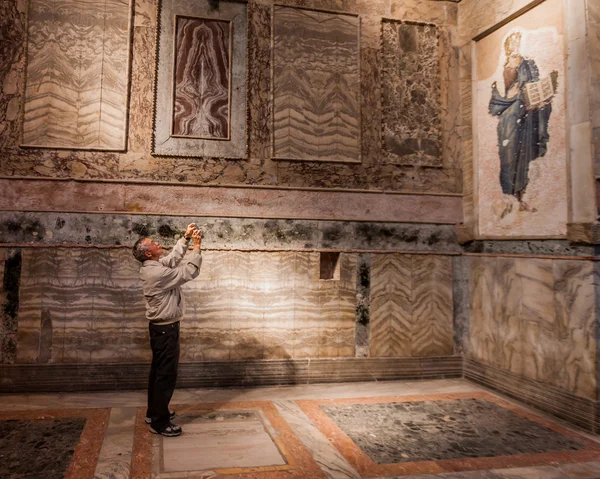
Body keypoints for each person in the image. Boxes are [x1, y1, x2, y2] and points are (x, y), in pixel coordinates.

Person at [132, 223, 202, 437]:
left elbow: (172, 259)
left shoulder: (153, 267)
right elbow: (188, 271)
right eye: (152, 243)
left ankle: (154, 412)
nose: (157, 243)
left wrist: (186, 238)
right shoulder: (156, 274)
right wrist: (197, 248)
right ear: (148, 252)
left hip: (160, 329)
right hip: (166, 330)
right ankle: (159, 423)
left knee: (158, 372)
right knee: (166, 375)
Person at [488, 31, 556, 214]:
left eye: (518, 42)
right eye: (513, 43)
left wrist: (541, 100)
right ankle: (508, 200)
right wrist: (512, 68)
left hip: (528, 117)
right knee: (509, 158)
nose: (515, 46)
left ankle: (522, 197)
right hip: (510, 119)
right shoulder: (506, 66)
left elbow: (535, 85)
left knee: (526, 157)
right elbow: (502, 94)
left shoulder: (529, 63)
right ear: (508, 46)